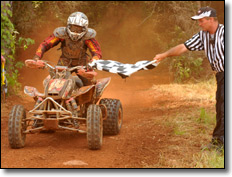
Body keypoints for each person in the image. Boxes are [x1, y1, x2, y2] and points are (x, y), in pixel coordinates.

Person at [153, 7, 224, 151]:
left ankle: (220, 144)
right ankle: (218, 141)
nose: (199, 23)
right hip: (220, 75)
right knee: (220, 107)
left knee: (224, 108)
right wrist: (164, 55)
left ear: (211, 19)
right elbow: (183, 47)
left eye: (201, 21)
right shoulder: (202, 35)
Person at [33, 11, 102, 86]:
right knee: (54, 82)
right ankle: (52, 97)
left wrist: (92, 63)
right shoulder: (61, 34)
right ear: (68, 26)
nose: (75, 31)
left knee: (90, 84)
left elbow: (96, 53)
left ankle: (93, 91)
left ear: (85, 29)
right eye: (73, 27)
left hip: (82, 64)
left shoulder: (88, 37)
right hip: (64, 62)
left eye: (79, 29)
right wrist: (37, 57)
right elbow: (45, 44)